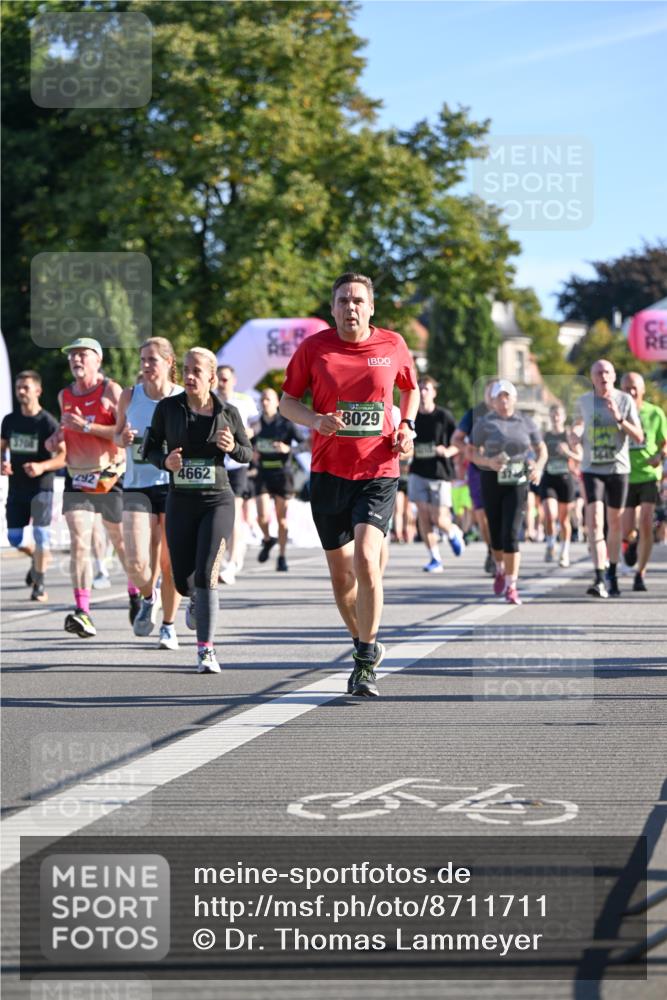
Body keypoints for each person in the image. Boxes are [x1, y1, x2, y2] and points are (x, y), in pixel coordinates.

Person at [279, 272, 418, 697]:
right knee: (342, 579)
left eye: (358, 300)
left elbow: (411, 389)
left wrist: (408, 425)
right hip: (328, 473)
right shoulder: (314, 348)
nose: (351, 307)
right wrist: (315, 420)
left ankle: (363, 658)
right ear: (333, 307)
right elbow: (287, 402)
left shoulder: (392, 344)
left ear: (371, 307)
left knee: (366, 560)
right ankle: (364, 639)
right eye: (343, 300)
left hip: (378, 469)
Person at [143, 347, 252, 673]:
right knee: (182, 582)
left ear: (211, 377)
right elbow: (148, 448)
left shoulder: (227, 412)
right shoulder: (168, 408)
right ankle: (194, 600)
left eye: (196, 371)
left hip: (217, 500)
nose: (189, 376)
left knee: (207, 575)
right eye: (186, 369)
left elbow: (247, 452)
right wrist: (165, 461)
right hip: (181, 501)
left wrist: (232, 447)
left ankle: (206, 650)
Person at [45, 338, 130, 638]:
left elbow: (121, 435)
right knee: (80, 542)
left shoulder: (112, 391)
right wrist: (57, 438)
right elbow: (67, 426)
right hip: (77, 477)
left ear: (98, 360)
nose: (76, 360)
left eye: (82, 355)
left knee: (119, 541)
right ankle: (83, 611)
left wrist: (86, 427)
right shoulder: (64, 394)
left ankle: (135, 592)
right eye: (72, 356)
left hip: (109, 475)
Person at [115, 337, 183, 649]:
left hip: (173, 486)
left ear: (169, 362)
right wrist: (123, 437)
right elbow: (117, 437)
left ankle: (168, 625)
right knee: (136, 560)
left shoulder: (183, 398)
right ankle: (147, 595)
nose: (145, 366)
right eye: (143, 360)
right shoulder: (130, 396)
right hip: (136, 485)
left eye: (152, 360)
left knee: (169, 563)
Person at [471, 379, 547, 605]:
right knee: (495, 534)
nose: (504, 400)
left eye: (507, 396)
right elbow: (471, 452)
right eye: (499, 397)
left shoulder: (526, 422)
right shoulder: (484, 423)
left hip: (518, 479)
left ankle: (512, 586)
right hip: (491, 478)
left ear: (514, 399)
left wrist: (538, 467)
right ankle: (500, 569)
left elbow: (541, 449)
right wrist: (487, 461)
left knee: (511, 534)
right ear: (493, 401)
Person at [574, 359, 643, 598]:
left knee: (615, 524)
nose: (603, 376)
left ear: (613, 376)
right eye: (598, 372)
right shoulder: (583, 401)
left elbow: (639, 437)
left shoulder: (625, 400)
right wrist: (574, 434)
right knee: (594, 522)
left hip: (618, 469)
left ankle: (612, 573)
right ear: (592, 377)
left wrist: (619, 419)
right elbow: (577, 426)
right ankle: (599, 576)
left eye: (607, 372)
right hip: (592, 469)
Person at [1, 370, 66, 602]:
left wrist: (41, 467)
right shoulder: (9, 420)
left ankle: (39, 584)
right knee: (14, 538)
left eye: (25, 387)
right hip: (16, 488)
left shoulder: (47, 422)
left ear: (37, 390)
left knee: (41, 536)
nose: (20, 392)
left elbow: (63, 457)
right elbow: (2, 446)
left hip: (41, 488)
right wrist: (3, 463)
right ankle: (36, 558)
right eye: (18, 387)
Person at [407, 375, 463, 573]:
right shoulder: (411, 416)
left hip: (440, 473)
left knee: (439, 519)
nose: (422, 392)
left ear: (434, 392)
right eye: (419, 388)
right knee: (423, 516)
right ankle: (435, 558)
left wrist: (447, 451)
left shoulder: (443, 417)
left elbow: (459, 442)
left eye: (426, 389)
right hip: (418, 472)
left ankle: (453, 532)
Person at [619, 372, 667, 591]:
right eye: (626, 387)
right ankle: (631, 543)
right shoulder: (617, 413)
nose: (631, 391)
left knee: (646, 522)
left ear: (643, 390)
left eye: (634, 387)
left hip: (648, 475)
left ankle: (641, 573)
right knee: (627, 529)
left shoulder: (655, 413)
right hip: (625, 475)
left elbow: (665, 442)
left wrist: (660, 455)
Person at [252, 387, 304, 572]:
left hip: (283, 474)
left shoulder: (286, 424)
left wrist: (288, 449)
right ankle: (267, 539)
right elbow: (248, 447)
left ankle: (282, 556)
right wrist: (253, 454)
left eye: (268, 399)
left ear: (276, 403)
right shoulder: (256, 425)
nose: (264, 402)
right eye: (262, 399)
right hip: (263, 474)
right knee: (262, 516)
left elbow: (306, 444)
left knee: (282, 520)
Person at [216, 364, 259, 585]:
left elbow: (256, 425)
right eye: (218, 379)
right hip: (215, 465)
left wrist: (246, 434)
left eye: (225, 379)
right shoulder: (209, 399)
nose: (221, 383)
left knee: (233, 512)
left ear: (233, 380)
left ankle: (232, 563)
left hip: (237, 465)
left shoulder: (244, 400)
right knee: (218, 515)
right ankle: (224, 558)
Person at [451, 379, 496, 575]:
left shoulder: (510, 413)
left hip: (501, 471)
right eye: (490, 392)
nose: (494, 396)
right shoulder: (474, 414)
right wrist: (468, 451)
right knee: (481, 515)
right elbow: (456, 439)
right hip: (478, 470)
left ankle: (501, 551)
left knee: (500, 514)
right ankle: (492, 551)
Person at [539, 404, 582, 567]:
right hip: (549, 477)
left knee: (564, 520)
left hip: (566, 479)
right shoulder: (545, 436)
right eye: (553, 415)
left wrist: (567, 452)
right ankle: (550, 543)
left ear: (563, 417)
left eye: (558, 415)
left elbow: (580, 457)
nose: (555, 418)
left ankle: (564, 551)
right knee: (550, 514)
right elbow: (537, 453)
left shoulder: (569, 435)